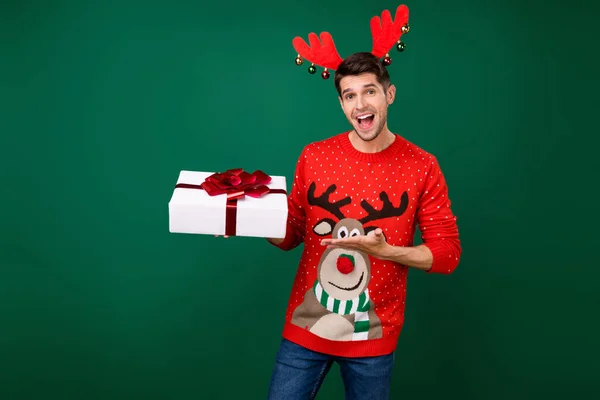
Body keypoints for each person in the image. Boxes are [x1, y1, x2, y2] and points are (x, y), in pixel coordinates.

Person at [264, 29, 461, 400]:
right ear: (341, 104)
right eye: (349, 96)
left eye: (369, 91)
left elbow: (448, 253)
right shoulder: (314, 156)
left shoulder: (422, 165)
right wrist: (241, 221)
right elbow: (290, 234)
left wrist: (388, 253)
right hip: (306, 329)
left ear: (389, 94)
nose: (359, 105)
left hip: (373, 337)